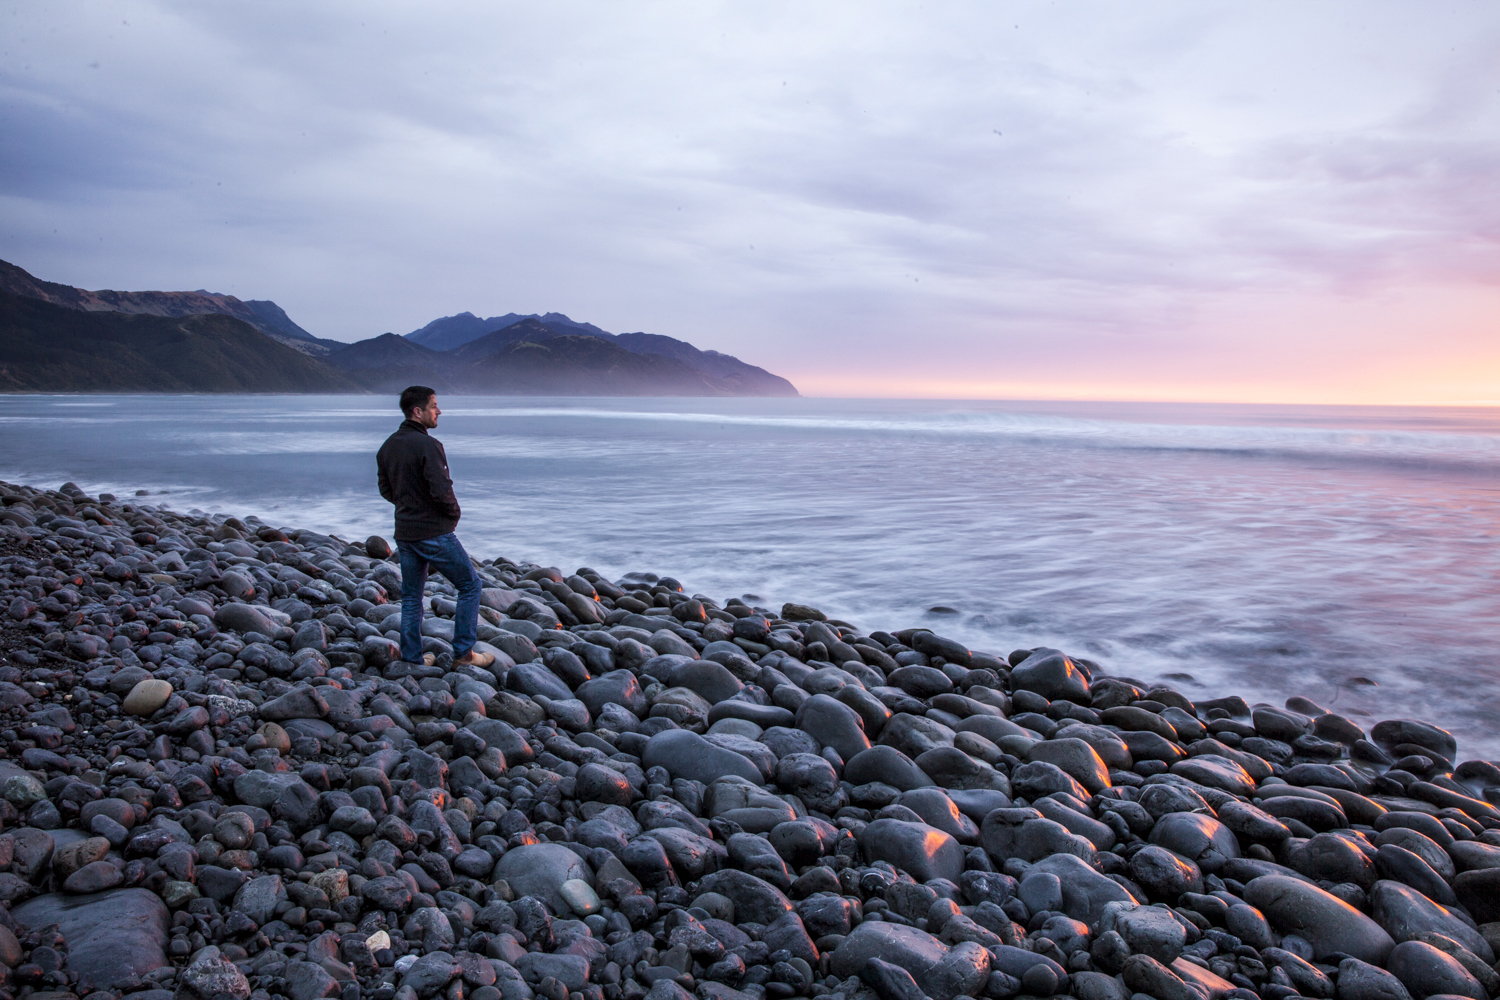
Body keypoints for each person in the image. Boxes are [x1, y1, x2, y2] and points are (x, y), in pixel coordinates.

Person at [376, 385, 493, 668]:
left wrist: (408, 506)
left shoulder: (388, 446)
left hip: (405, 532)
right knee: (470, 585)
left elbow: (385, 489)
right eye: (434, 406)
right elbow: (442, 491)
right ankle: (464, 654)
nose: (439, 411)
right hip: (433, 532)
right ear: (418, 412)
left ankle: (413, 658)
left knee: (412, 597)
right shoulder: (429, 446)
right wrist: (452, 516)